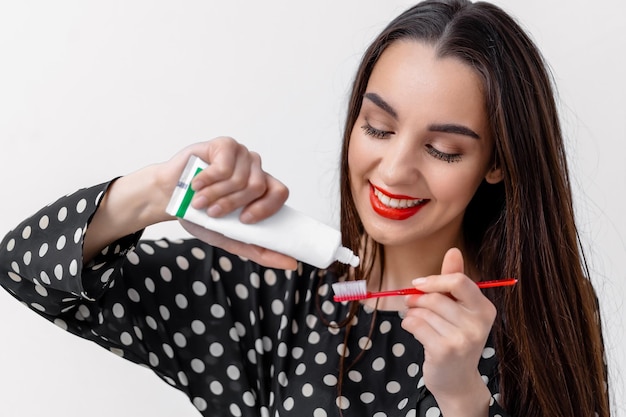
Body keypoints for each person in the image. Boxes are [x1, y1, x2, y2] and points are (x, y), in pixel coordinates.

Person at [0, 0, 611, 416]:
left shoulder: (543, 308)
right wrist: (161, 193)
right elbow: (23, 267)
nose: (395, 170)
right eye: (377, 128)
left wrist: (463, 400)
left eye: (443, 148)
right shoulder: (268, 289)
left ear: (497, 162)